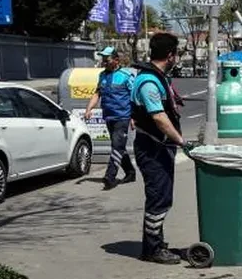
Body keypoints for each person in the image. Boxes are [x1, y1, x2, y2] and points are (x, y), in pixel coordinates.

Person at [130, 33, 194, 264]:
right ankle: (152, 249)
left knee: (163, 197)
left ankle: (155, 241)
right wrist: (181, 141)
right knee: (159, 198)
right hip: (152, 149)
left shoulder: (158, 77)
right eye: (176, 54)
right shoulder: (148, 82)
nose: (177, 58)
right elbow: (158, 117)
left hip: (158, 147)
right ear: (170, 55)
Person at [83, 46, 137, 190]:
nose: (104, 62)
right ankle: (130, 173)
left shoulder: (126, 76)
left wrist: (134, 117)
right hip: (108, 117)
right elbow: (97, 94)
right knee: (118, 147)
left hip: (122, 117)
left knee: (117, 147)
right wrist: (89, 109)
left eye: (107, 59)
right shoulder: (102, 76)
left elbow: (134, 98)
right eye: (103, 59)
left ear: (116, 60)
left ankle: (110, 177)